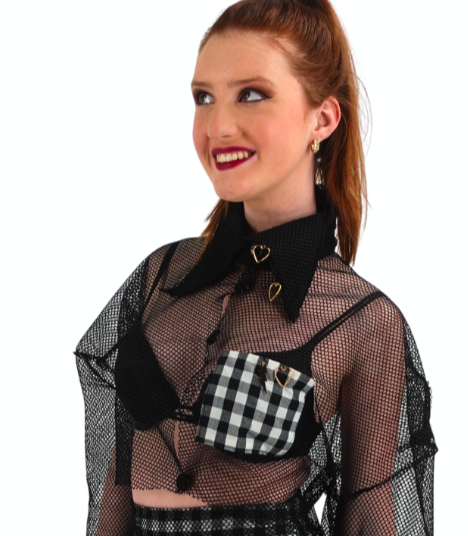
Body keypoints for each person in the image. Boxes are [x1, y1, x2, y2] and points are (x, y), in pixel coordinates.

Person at [74, 1, 438, 534]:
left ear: (322, 119)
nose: (218, 126)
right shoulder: (161, 275)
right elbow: (116, 484)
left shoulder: (363, 320)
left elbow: (371, 515)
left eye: (251, 94)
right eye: (203, 97)